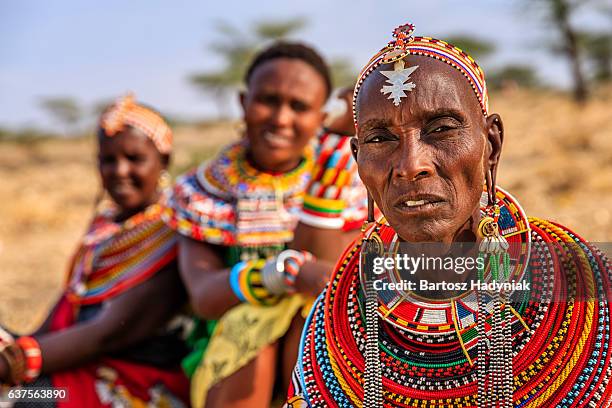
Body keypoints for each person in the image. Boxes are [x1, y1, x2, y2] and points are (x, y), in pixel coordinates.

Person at [285, 23, 612, 407]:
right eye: (380, 138)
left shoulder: (585, 287)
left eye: (441, 128)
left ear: (491, 144)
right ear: (358, 159)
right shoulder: (337, 313)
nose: (411, 164)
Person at [163, 42, 369, 408]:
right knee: (253, 323)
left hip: (307, 348)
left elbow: (327, 279)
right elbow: (205, 296)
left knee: (313, 318)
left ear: (320, 117)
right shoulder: (201, 192)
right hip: (228, 358)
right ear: (243, 103)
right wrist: (282, 273)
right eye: (268, 100)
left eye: (299, 107)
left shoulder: (348, 183)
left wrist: (333, 157)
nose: (281, 118)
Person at [0, 94, 190, 407]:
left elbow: (106, 334)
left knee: (24, 400)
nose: (119, 171)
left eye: (135, 158)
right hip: (76, 364)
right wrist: (18, 347)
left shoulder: (173, 234)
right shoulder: (105, 228)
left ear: (164, 161)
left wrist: (13, 363)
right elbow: (68, 303)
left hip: (134, 384)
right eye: (108, 160)